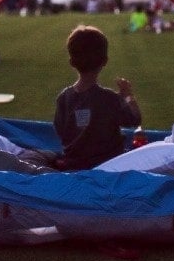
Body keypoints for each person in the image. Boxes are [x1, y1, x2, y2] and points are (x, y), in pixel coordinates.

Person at [52, 25, 142, 170]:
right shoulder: (110, 99)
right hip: (109, 166)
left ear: (72, 62)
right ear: (105, 61)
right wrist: (128, 95)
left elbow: (61, 131)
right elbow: (135, 119)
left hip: (74, 165)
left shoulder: (64, 98)